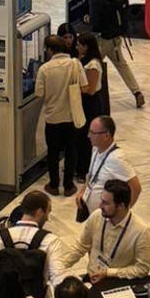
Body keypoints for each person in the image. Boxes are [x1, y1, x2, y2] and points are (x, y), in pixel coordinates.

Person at [0, 188, 64, 298]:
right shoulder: (50, 240)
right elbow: (59, 281)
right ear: (39, 212)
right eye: (48, 212)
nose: (47, 218)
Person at [85, 0, 144, 109]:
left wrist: (89, 20)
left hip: (103, 39)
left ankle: (89, 96)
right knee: (122, 66)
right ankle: (137, 92)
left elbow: (96, 20)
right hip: (116, 37)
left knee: (92, 66)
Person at [34, 34, 87, 196]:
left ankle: (54, 185)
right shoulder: (75, 64)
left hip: (52, 117)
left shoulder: (45, 69)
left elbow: (38, 93)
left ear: (50, 50)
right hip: (71, 116)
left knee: (53, 152)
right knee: (71, 150)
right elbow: (85, 87)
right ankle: (69, 185)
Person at [77, 178, 150, 287]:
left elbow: (142, 269)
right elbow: (81, 246)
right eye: (101, 200)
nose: (100, 206)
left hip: (118, 284)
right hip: (92, 279)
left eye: (105, 203)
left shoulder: (141, 232)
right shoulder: (97, 216)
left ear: (121, 206)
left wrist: (109, 273)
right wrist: (60, 266)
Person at [75, 112, 139, 221]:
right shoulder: (95, 148)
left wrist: (121, 215)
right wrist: (83, 191)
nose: (88, 136)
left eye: (93, 133)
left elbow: (136, 187)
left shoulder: (117, 158)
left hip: (106, 218)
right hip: (92, 216)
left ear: (106, 135)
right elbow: (92, 175)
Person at [72, 29, 108, 182]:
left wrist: (73, 89)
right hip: (83, 102)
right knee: (79, 136)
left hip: (91, 103)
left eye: (80, 45)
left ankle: (83, 170)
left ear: (87, 46)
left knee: (86, 137)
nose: (77, 47)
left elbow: (91, 89)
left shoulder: (93, 64)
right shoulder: (82, 59)